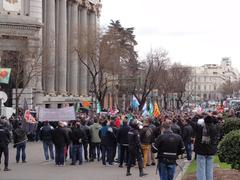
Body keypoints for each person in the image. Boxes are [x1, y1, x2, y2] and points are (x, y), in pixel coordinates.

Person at [190, 115, 218, 180]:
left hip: (201, 151)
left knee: (201, 169)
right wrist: (212, 116)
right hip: (211, 151)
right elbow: (217, 121)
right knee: (210, 169)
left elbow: (191, 122)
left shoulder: (200, 128)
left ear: (204, 121)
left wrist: (197, 115)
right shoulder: (214, 128)